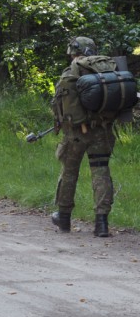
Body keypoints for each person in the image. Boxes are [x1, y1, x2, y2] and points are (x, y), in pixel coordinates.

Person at [50, 37, 118, 238]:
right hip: (103, 130)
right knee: (101, 171)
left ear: (74, 52)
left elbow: (59, 103)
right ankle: (102, 223)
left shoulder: (73, 70)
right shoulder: (108, 68)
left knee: (69, 172)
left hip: (77, 133)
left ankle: (63, 219)